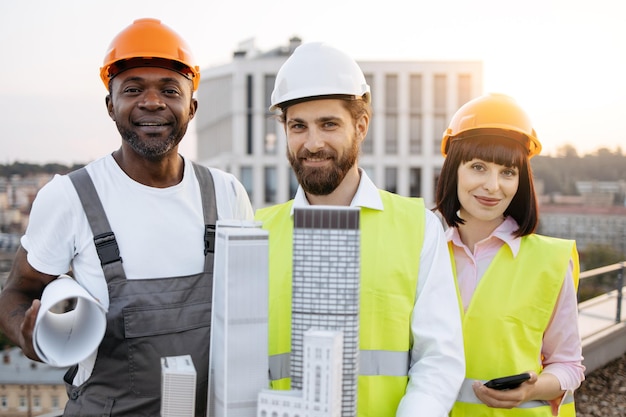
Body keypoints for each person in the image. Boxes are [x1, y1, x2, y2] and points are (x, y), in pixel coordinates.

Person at [0, 18, 253, 417]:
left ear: (192, 106)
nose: (152, 102)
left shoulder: (226, 194)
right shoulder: (70, 197)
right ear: (110, 105)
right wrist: (28, 335)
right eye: (133, 89)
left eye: (169, 90)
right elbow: (17, 291)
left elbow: (245, 308)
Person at [254, 42, 465, 417]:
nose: (312, 143)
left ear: (361, 126)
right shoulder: (256, 232)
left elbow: (439, 359)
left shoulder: (418, 226)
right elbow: (238, 361)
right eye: (298, 126)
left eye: (329, 124)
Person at [434, 93, 585, 416]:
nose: (493, 186)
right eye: (478, 167)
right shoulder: (424, 250)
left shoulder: (550, 261)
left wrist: (532, 389)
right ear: (454, 170)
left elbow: (569, 364)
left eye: (507, 172)